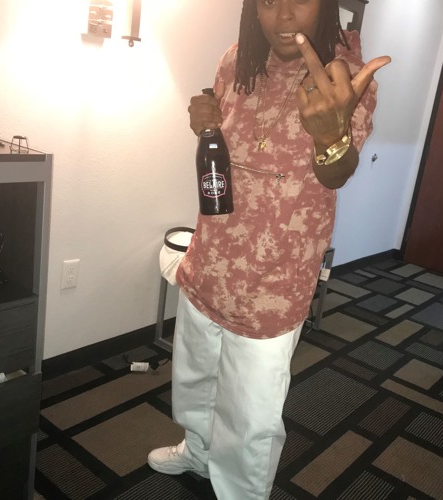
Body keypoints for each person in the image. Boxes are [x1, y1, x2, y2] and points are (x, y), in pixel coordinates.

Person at [148, 1, 391, 498]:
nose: (282, 16)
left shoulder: (342, 77)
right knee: (195, 379)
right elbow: (222, 147)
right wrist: (203, 124)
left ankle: (241, 492)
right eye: (267, 0)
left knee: (250, 410)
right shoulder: (237, 58)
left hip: (275, 280)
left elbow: (337, 174)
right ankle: (198, 450)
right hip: (212, 258)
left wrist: (330, 138)